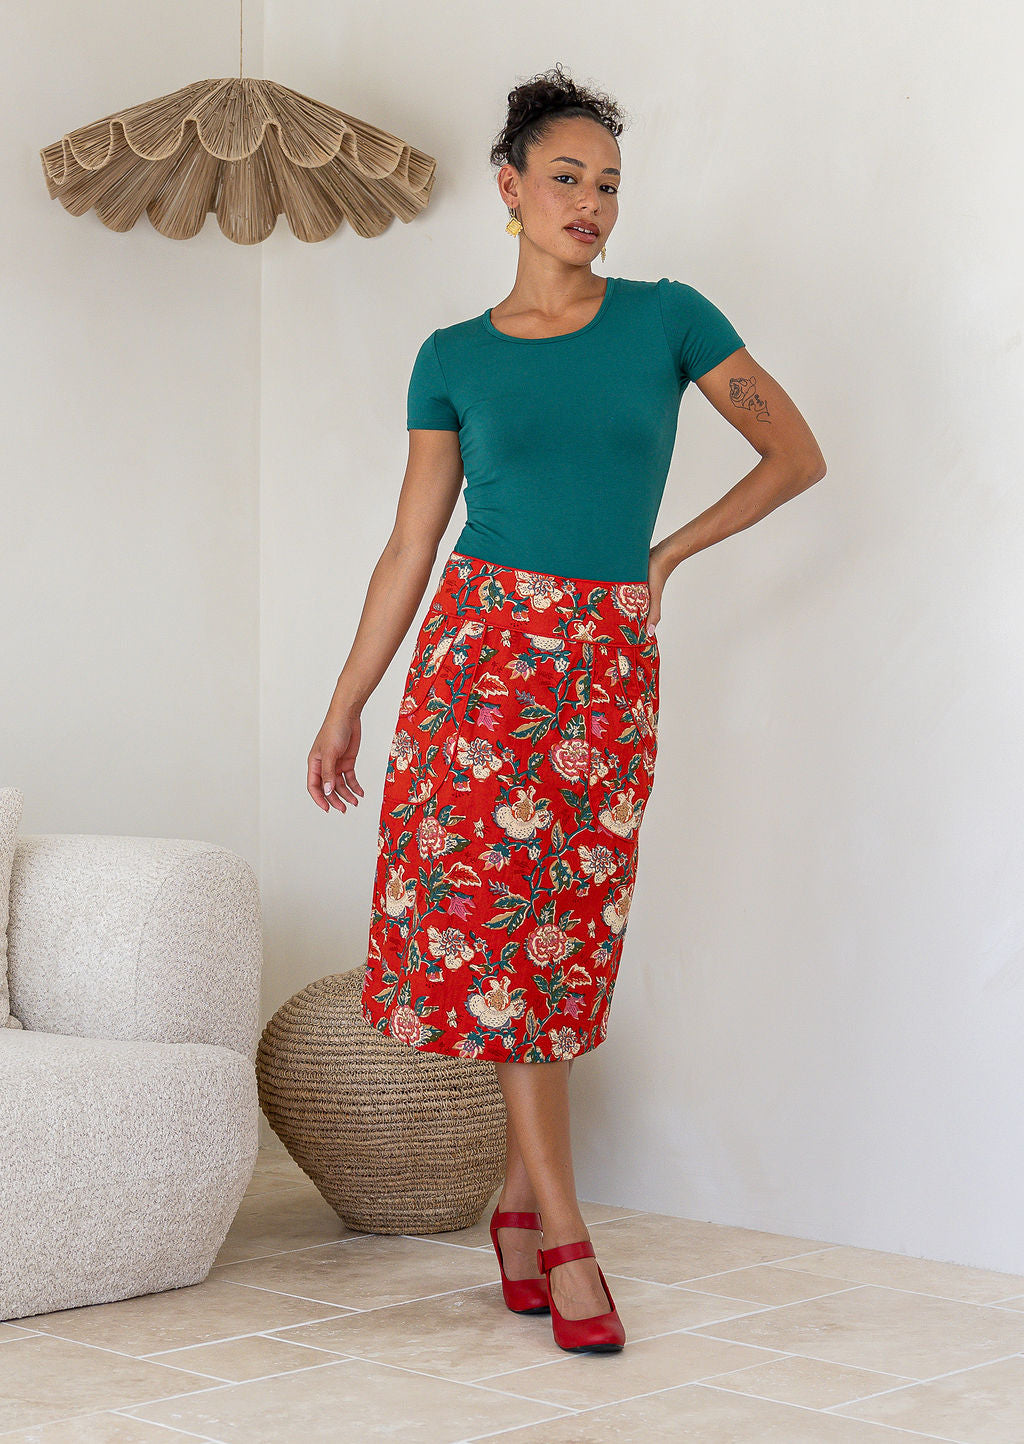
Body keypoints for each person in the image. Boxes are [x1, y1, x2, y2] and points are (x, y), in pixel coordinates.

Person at [307, 62, 826, 1354]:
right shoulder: (452, 356)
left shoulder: (669, 318)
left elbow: (796, 455)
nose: (590, 202)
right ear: (510, 187)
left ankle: (516, 1206)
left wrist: (664, 557)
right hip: (476, 664)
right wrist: (346, 703)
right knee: (504, 945)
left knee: (563, 941)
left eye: (609, 184)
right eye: (566, 178)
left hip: (603, 667)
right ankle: (562, 1231)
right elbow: (409, 545)